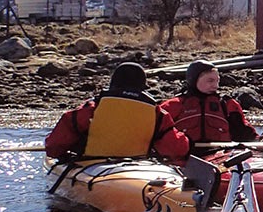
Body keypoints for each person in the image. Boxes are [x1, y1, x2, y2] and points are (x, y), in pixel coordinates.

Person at [45, 61, 191, 163]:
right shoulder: (157, 114)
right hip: (137, 167)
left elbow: (53, 147)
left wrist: (66, 155)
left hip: (91, 165)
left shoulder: (92, 108)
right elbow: (178, 149)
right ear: (142, 86)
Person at [159, 60, 258, 145]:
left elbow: (247, 135)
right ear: (193, 80)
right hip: (186, 156)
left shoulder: (227, 104)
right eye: (210, 81)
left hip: (221, 155)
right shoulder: (174, 105)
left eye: (217, 81)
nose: (215, 86)